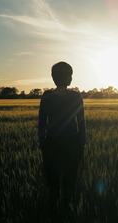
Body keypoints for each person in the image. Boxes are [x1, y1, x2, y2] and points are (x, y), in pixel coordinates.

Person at [38, 62, 86, 213]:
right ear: (68, 78)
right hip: (72, 143)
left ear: (53, 78)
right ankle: (67, 213)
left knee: (53, 184)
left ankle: (53, 215)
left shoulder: (47, 96)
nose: (71, 78)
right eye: (70, 75)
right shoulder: (75, 96)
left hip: (51, 143)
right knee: (69, 182)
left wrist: (42, 143)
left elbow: (42, 123)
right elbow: (81, 122)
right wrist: (82, 143)